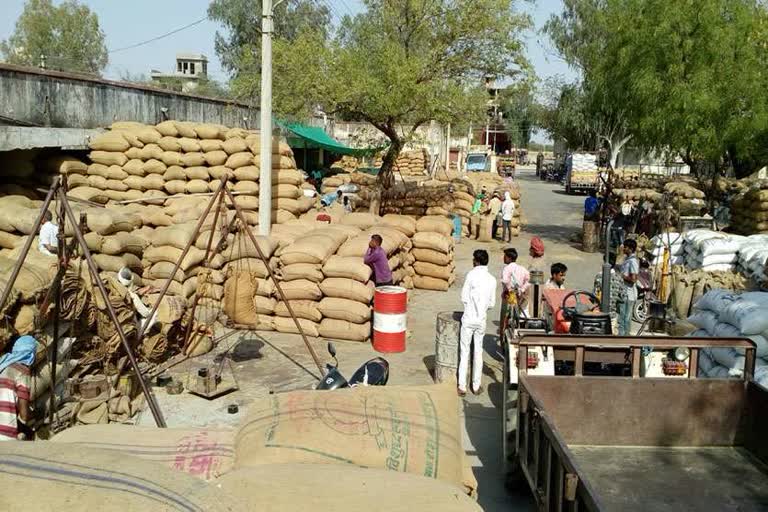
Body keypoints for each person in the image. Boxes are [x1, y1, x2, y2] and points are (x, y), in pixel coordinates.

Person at [459, 250, 496, 396]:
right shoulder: (492, 279)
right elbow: (492, 303)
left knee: (465, 352)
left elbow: (464, 297)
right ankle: (476, 385)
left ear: (476, 261)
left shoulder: (471, 275)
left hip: (468, 319)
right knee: (478, 352)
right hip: (481, 320)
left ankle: (462, 386)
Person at [0, 336, 36, 441]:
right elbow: (24, 415)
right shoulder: (22, 370)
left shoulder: (2, 364)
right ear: (32, 354)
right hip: (4, 433)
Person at [500, 248, 530, 329]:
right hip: (520, 294)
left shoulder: (507, 268)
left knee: (506, 315)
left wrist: (509, 290)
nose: (503, 258)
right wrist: (522, 289)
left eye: (505, 256)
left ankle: (505, 332)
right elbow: (528, 280)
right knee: (521, 312)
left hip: (509, 295)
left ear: (509, 258)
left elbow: (505, 281)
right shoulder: (522, 268)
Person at [617, 239, 639, 336]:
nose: (624, 249)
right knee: (622, 317)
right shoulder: (627, 259)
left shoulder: (633, 262)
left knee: (625, 318)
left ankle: (625, 337)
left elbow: (633, 279)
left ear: (630, 249)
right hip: (624, 293)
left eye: (625, 247)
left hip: (629, 294)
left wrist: (622, 276)